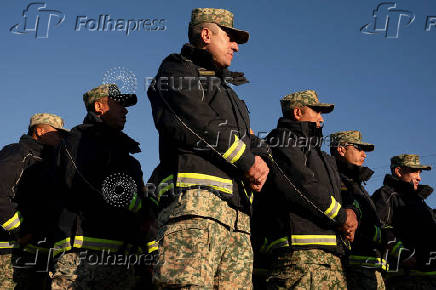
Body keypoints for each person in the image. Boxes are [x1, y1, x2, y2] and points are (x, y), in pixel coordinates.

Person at [147, 8, 269, 289]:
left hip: (238, 219)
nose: (236, 46)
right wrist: (248, 161)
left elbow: (247, 138)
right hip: (196, 208)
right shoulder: (176, 71)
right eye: (229, 37)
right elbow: (198, 122)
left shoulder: (228, 93)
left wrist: (260, 158)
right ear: (206, 35)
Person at [51, 84, 150, 290]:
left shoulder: (127, 156)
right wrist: (131, 203)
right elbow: (82, 181)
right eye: (118, 104)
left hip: (122, 258)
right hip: (83, 255)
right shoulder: (78, 140)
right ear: (98, 107)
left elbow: (143, 209)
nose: (125, 110)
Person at [256, 89, 357, 289]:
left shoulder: (319, 154)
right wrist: (341, 217)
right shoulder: (282, 140)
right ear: (297, 113)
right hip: (300, 260)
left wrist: (349, 213)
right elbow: (300, 184)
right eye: (317, 111)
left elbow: (336, 194)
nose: (321, 119)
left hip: (331, 260)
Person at [0, 113, 68, 289]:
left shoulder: (53, 164)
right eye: (57, 133)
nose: (61, 138)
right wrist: (19, 230)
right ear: (39, 131)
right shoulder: (17, 153)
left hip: (41, 256)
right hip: (10, 253)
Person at [330, 130, 386, 289]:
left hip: (368, 266)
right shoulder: (335, 180)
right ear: (341, 149)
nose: (364, 155)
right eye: (359, 148)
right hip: (351, 266)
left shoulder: (357, 184)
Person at [373, 154, 436, 289]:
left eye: (420, 172)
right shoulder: (387, 195)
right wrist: (403, 253)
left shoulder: (419, 202)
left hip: (428, 276)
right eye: (414, 171)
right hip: (404, 278)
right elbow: (380, 226)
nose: (419, 177)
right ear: (399, 171)